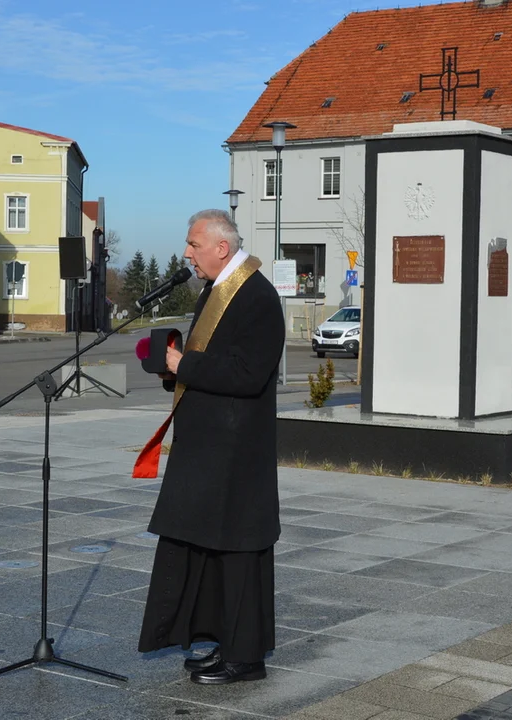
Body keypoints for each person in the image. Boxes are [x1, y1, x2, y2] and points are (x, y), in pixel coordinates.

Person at [135, 209, 285, 685]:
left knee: (238, 553)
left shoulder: (257, 295)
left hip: (236, 452)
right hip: (210, 446)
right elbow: (208, 362)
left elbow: (247, 373)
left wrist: (184, 365)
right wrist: (173, 370)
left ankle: (246, 658)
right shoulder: (217, 290)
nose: (186, 253)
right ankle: (223, 642)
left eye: (193, 244)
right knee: (210, 550)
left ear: (222, 247)